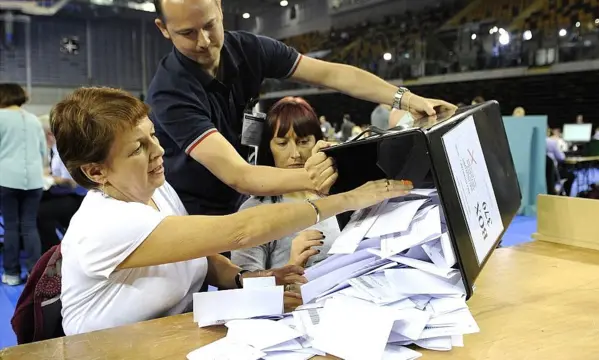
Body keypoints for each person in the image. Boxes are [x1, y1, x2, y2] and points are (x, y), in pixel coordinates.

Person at [51, 87, 412, 335]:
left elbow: (201, 255)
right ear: (96, 171)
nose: (158, 151)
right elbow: (240, 231)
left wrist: (246, 279)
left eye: (154, 136)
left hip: (163, 336)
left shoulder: (157, 191)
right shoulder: (104, 223)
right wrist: (347, 197)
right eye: (138, 149)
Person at [147, 0, 456, 218]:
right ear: (163, 29)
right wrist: (334, 173)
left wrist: (404, 97)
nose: (204, 41)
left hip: (245, 196)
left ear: (220, 6)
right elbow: (239, 175)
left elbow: (331, 74)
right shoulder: (170, 91)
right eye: (187, 33)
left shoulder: (249, 49)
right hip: (195, 208)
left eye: (210, 25)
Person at [232, 97, 341, 271]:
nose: (295, 154)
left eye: (303, 141)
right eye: (282, 143)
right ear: (269, 148)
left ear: (317, 142)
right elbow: (248, 288)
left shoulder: (342, 196)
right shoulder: (255, 211)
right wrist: (291, 267)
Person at [0, 84, 47, 286]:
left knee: (11, 226)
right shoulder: (34, 119)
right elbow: (43, 152)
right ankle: (34, 276)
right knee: (29, 226)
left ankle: (11, 274)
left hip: (6, 179)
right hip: (35, 181)